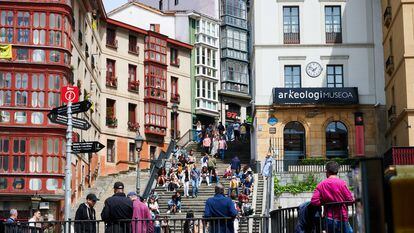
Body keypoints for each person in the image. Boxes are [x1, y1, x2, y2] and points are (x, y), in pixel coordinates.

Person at [311, 161, 354, 233]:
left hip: (329, 218)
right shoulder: (342, 183)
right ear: (337, 171)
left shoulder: (321, 185)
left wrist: (324, 202)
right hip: (342, 217)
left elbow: (314, 201)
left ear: (327, 171)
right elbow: (350, 200)